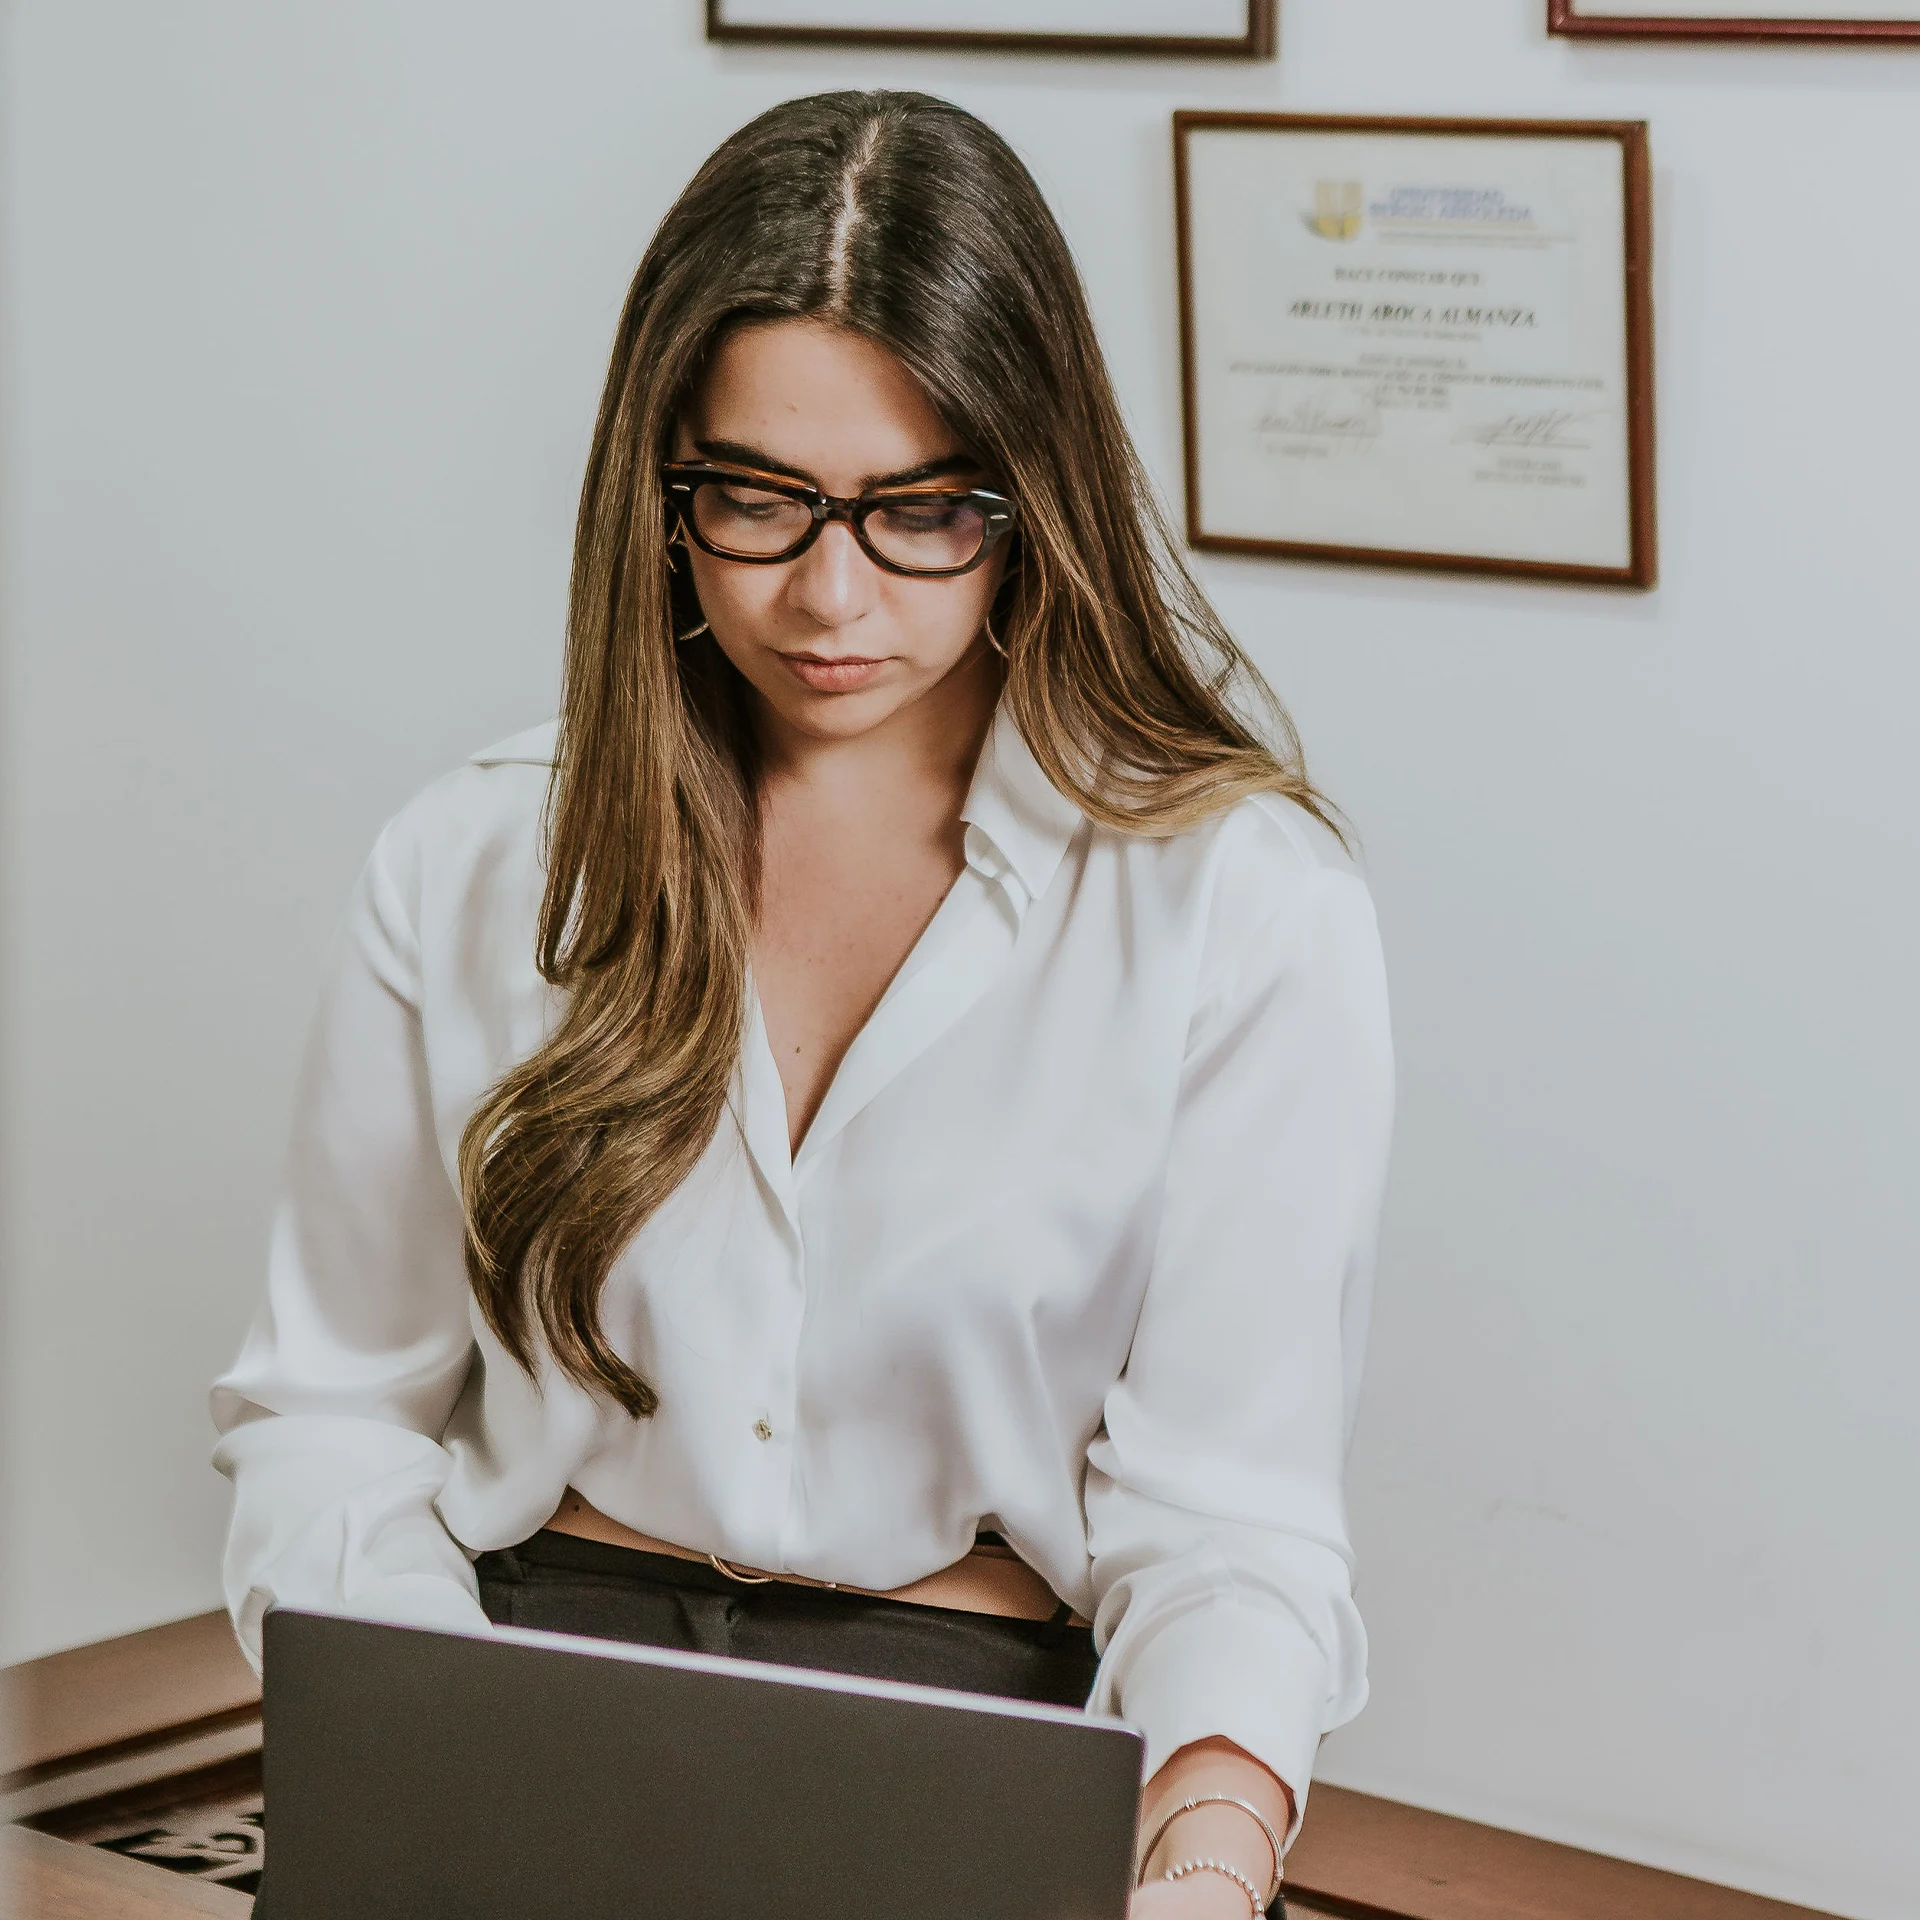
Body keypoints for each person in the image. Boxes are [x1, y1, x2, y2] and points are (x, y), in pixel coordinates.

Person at [211, 90, 1393, 1919]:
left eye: (923, 513)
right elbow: (332, 1414)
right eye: (755, 500)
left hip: (976, 1741)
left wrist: (1207, 1861)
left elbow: (1231, 1526)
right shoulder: (470, 863)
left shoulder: (1241, 912)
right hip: (513, 1688)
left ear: (1036, 497)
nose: (829, 594)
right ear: (656, 488)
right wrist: (420, 1743)